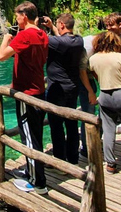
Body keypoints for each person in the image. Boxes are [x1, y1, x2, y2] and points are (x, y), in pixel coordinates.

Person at [0, 1, 49, 194]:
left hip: (26, 94)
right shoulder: (42, 34)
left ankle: (38, 183)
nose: (16, 19)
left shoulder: (25, 35)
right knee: (36, 135)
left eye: (17, 16)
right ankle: (32, 171)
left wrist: (6, 38)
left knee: (28, 137)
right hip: (39, 91)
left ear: (24, 16)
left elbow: (2, 56)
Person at [42, 13, 93, 164]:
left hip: (57, 90)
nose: (57, 26)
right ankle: (73, 158)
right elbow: (62, 40)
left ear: (62, 25)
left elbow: (42, 39)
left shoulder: (57, 43)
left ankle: (59, 160)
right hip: (73, 88)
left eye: (58, 24)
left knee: (56, 125)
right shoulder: (78, 40)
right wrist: (51, 26)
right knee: (71, 124)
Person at [88, 31, 121, 176]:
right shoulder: (119, 57)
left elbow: (96, 76)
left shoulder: (93, 59)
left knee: (108, 130)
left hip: (104, 95)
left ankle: (110, 164)